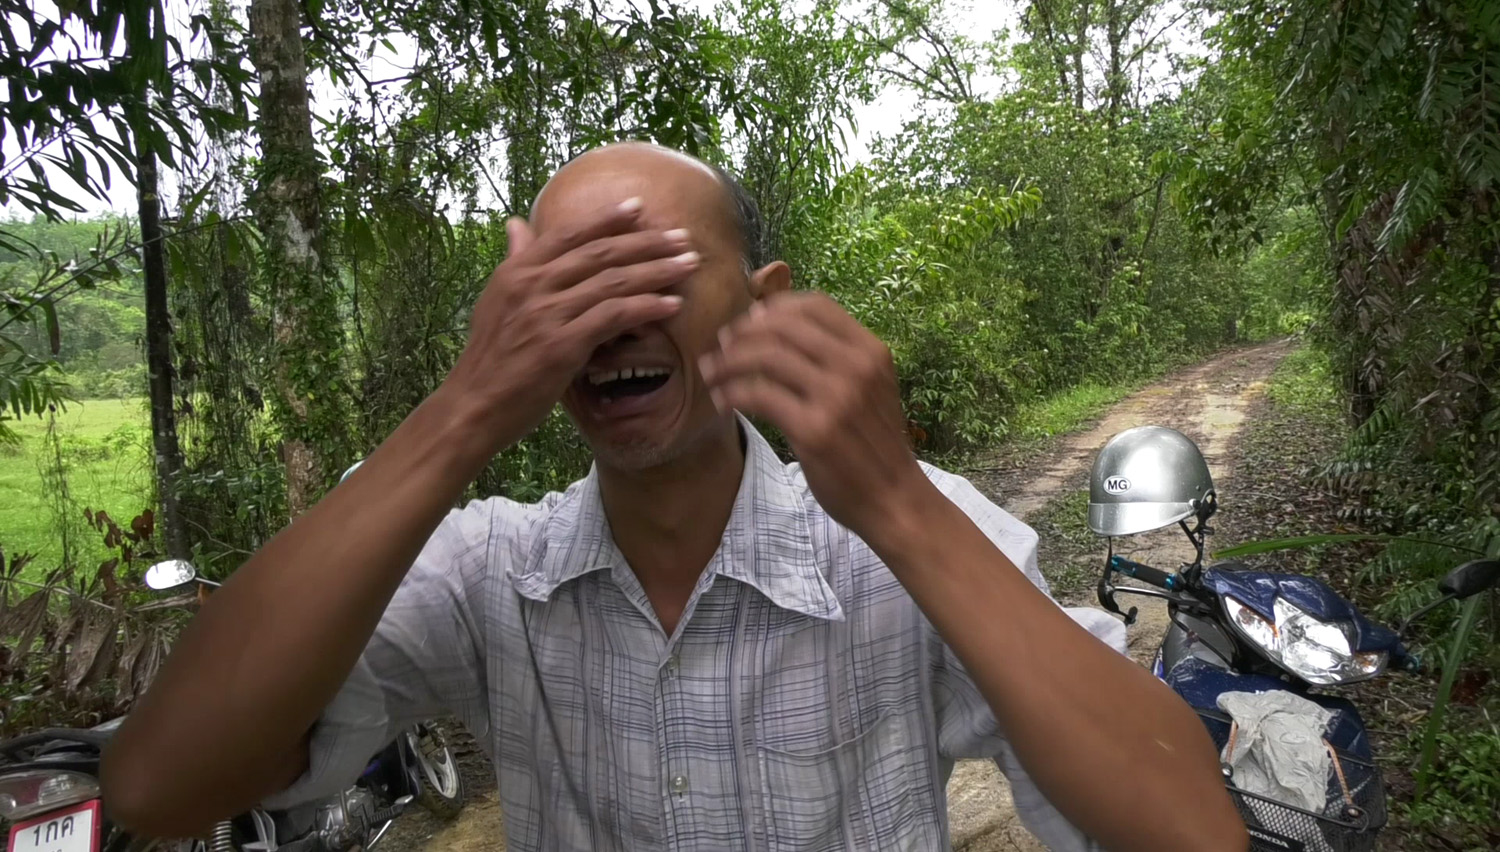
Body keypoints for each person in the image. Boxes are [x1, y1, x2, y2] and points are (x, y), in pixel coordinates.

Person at [102, 143, 1246, 851]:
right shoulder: (490, 574)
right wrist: (460, 415)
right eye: (567, 293)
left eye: (653, 277)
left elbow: (1190, 831)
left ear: (763, 304)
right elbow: (161, 786)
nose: (609, 327)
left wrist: (897, 503)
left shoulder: (894, 541)